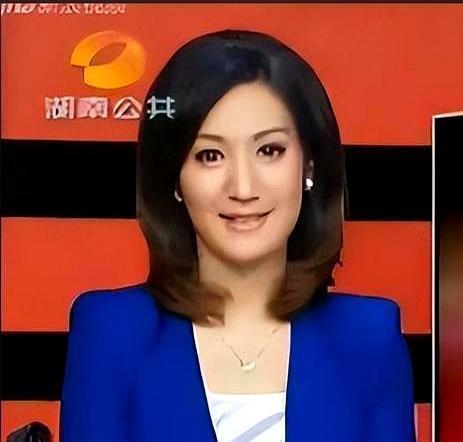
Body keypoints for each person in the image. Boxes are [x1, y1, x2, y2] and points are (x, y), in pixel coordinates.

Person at [60, 30, 414, 442]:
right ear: (174, 178)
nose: (243, 188)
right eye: (210, 156)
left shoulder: (370, 337)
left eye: (269, 151)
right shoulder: (111, 332)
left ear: (309, 165)